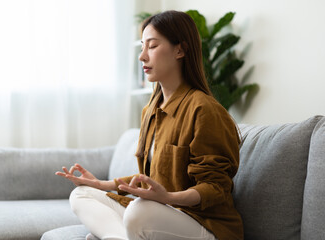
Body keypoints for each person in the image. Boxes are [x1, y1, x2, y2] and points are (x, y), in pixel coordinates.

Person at [56, 10, 243, 240]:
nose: (142, 56)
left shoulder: (205, 110)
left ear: (180, 50)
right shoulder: (151, 110)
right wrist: (100, 184)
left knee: (138, 211)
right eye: (142, 46)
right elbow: (151, 178)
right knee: (82, 195)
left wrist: (167, 198)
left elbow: (215, 187)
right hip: (161, 214)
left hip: (205, 225)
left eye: (152, 46)